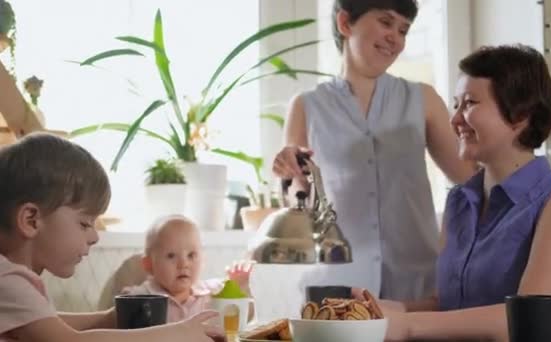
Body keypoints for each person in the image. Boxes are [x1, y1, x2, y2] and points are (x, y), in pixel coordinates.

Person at [357, 44, 551, 341]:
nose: (454, 120)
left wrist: (405, 325)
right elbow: (446, 307)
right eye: (456, 105)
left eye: (469, 103)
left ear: (520, 114)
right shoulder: (459, 201)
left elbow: (528, 322)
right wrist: (383, 310)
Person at [271, 0, 476, 301]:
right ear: (345, 23)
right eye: (385, 21)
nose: (396, 37)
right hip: (336, 283)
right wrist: (289, 173)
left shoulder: (423, 99)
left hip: (418, 284)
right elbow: (298, 200)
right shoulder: (306, 106)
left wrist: (518, 133)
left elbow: (469, 177)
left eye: (403, 29)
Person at [0, 133, 224, 342]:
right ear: (31, 220)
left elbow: (51, 323)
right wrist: (175, 334)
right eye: (85, 223)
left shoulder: (12, 282)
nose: (95, 237)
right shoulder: (7, 280)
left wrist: (108, 318)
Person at [122, 215, 255, 322]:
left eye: (191, 255)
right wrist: (126, 304)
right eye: (171, 256)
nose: (183, 264)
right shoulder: (141, 296)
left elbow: (240, 315)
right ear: (148, 264)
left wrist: (237, 285)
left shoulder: (212, 292)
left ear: (203, 260)